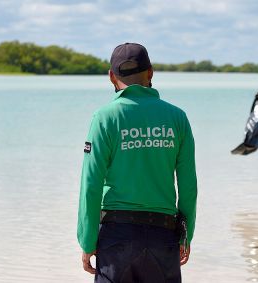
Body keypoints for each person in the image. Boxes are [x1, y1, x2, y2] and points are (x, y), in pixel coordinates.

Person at [77, 43, 197, 283]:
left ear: (111, 76)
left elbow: (91, 184)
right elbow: (188, 186)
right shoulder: (177, 118)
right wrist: (185, 235)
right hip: (163, 236)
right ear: (150, 72)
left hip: (117, 238)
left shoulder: (105, 118)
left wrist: (88, 240)